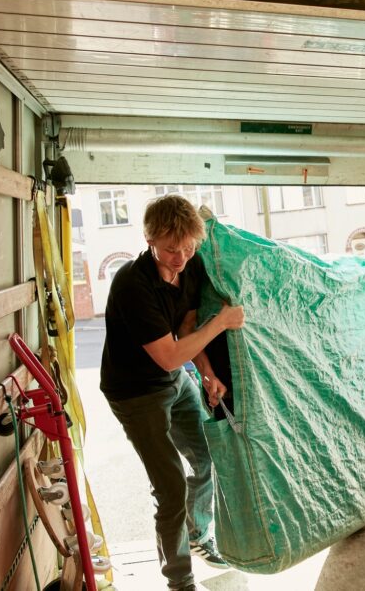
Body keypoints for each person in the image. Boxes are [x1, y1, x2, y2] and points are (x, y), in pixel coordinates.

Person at [100, 194, 244, 591]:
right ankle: (179, 580)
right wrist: (224, 323)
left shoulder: (191, 266)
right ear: (148, 239)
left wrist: (209, 374)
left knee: (206, 457)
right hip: (134, 392)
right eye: (170, 249)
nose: (180, 257)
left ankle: (198, 535)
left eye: (187, 248)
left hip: (175, 379)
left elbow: (186, 329)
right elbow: (167, 356)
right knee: (170, 487)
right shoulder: (132, 282)